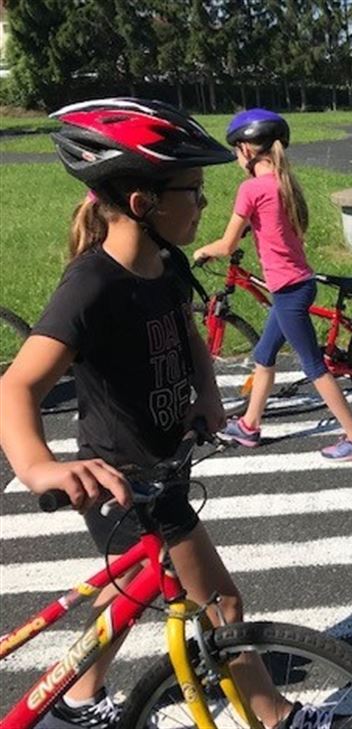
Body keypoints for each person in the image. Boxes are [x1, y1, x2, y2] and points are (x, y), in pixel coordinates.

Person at [0, 98, 321, 729]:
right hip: (121, 482)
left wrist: (207, 394)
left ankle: (76, 700)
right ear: (143, 202)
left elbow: (189, 334)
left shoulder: (164, 263)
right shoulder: (92, 286)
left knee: (128, 593)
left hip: (164, 465)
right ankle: (278, 718)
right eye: (192, 191)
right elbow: (16, 387)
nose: (203, 203)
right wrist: (41, 468)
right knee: (223, 606)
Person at [192, 109, 352, 460]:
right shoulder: (283, 183)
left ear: (246, 149)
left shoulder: (251, 188)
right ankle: (249, 425)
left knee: (314, 366)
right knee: (264, 355)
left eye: (235, 149)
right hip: (295, 285)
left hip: (289, 290)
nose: (236, 157)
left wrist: (203, 251)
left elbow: (227, 245)